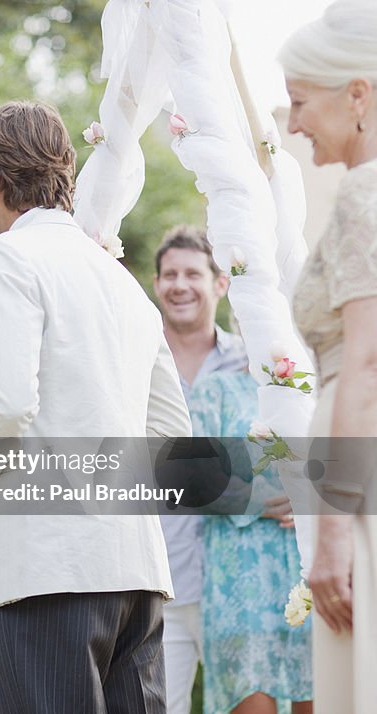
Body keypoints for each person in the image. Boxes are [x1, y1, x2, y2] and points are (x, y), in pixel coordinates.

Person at [0, 100, 191, 713]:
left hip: (44, 571)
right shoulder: (119, 279)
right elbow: (170, 433)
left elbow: (3, 403)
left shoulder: (6, 257)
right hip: (137, 574)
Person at [280, 3, 377, 710]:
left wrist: (336, 530)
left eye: (299, 102)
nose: (292, 125)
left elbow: (367, 363)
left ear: (358, 94)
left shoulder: (365, 192)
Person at [152, 226, 248, 714]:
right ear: (156, 285)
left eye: (193, 273)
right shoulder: (140, 363)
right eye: (169, 275)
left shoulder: (255, 365)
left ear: (220, 284)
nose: (179, 285)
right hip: (162, 579)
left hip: (238, 576)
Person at [188, 371, 313, 714]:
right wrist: (262, 499)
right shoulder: (217, 390)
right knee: (251, 695)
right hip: (242, 585)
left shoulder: (324, 388)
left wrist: (312, 496)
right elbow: (194, 479)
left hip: (314, 570)